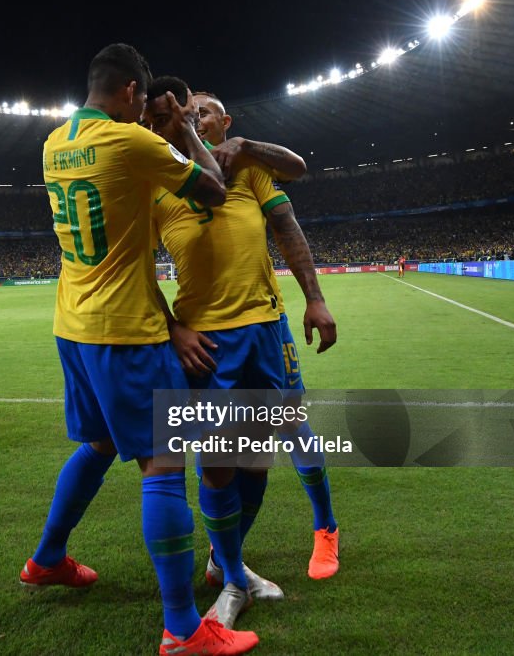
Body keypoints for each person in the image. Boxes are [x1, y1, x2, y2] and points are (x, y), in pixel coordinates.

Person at [19, 45, 256, 656]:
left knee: (98, 445)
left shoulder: (52, 143)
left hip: (72, 325)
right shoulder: (133, 143)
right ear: (130, 93)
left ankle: (46, 559)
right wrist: (181, 131)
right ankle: (182, 628)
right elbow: (212, 190)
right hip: (124, 330)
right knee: (164, 464)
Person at [149, 84, 338, 629]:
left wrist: (317, 299)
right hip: (205, 342)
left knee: (260, 454)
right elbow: (130, 272)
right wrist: (172, 328)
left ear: (222, 122)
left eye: (202, 113)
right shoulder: (157, 183)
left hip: (264, 330)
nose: (194, 121)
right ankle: (233, 578)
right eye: (186, 115)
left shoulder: (249, 170)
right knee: (217, 464)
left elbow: (289, 223)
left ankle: (226, 561)